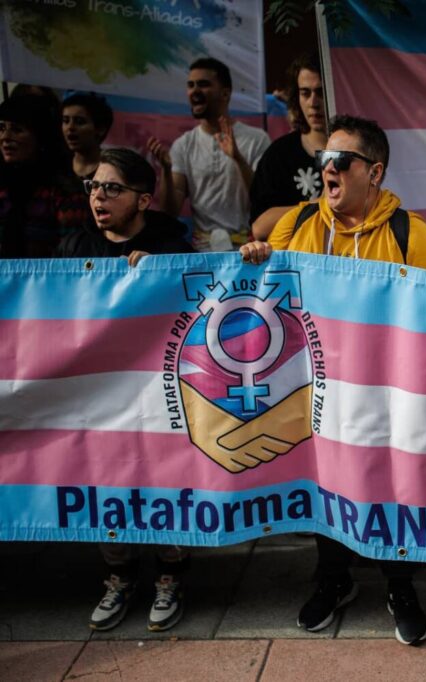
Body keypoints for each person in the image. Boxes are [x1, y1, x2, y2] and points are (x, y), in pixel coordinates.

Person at [240, 114, 426, 644]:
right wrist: (258, 258)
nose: (327, 169)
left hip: (385, 395)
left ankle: (399, 585)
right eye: (323, 160)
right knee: (323, 484)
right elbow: (265, 291)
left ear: (373, 173)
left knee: (391, 489)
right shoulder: (300, 223)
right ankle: (333, 580)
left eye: (341, 161)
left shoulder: (411, 233)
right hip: (316, 391)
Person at [56, 147, 194, 632]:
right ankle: (120, 576)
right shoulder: (73, 249)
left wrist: (159, 276)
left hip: (158, 392)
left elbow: (201, 308)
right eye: (93, 186)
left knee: (163, 478)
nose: (98, 196)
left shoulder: (173, 245)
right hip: (97, 396)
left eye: (112, 188)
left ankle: (171, 575)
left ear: (143, 199)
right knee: (106, 481)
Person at [148, 57, 270, 252]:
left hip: (249, 251)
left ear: (225, 93)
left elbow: (264, 200)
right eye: (190, 85)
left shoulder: (257, 139)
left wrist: (237, 158)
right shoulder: (183, 145)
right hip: (201, 255)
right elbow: (170, 212)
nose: (194, 91)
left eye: (203, 84)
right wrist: (166, 171)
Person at [248, 52, 327, 240]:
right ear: (296, 97)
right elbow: (259, 228)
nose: (313, 103)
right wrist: (317, 206)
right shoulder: (279, 155)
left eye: (321, 92)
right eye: (305, 93)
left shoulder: (356, 150)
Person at [0, 95, 88, 258]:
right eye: (2, 128)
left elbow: (71, 258)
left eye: (17, 130)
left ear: (40, 137)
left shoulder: (64, 192)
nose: (5, 137)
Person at [61, 92, 114, 182]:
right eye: (66, 121)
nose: (70, 127)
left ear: (101, 129)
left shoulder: (112, 171)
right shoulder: (55, 165)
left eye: (79, 121)